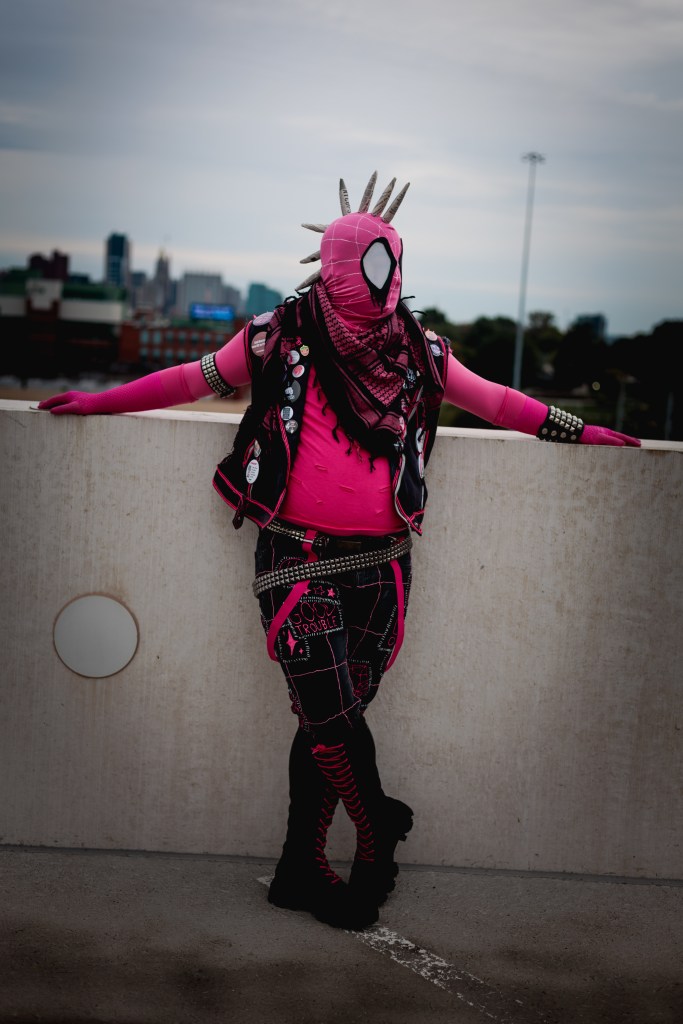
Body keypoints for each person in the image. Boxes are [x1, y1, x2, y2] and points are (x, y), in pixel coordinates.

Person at [39, 172, 640, 931]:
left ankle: (301, 866)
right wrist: (95, 401)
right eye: (370, 262)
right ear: (335, 265)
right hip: (296, 555)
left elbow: (496, 401)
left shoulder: (419, 350)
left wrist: (579, 429)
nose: (381, 278)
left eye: (389, 262)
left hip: (384, 562)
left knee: (333, 718)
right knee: (330, 717)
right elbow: (188, 380)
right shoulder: (273, 336)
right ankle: (378, 831)